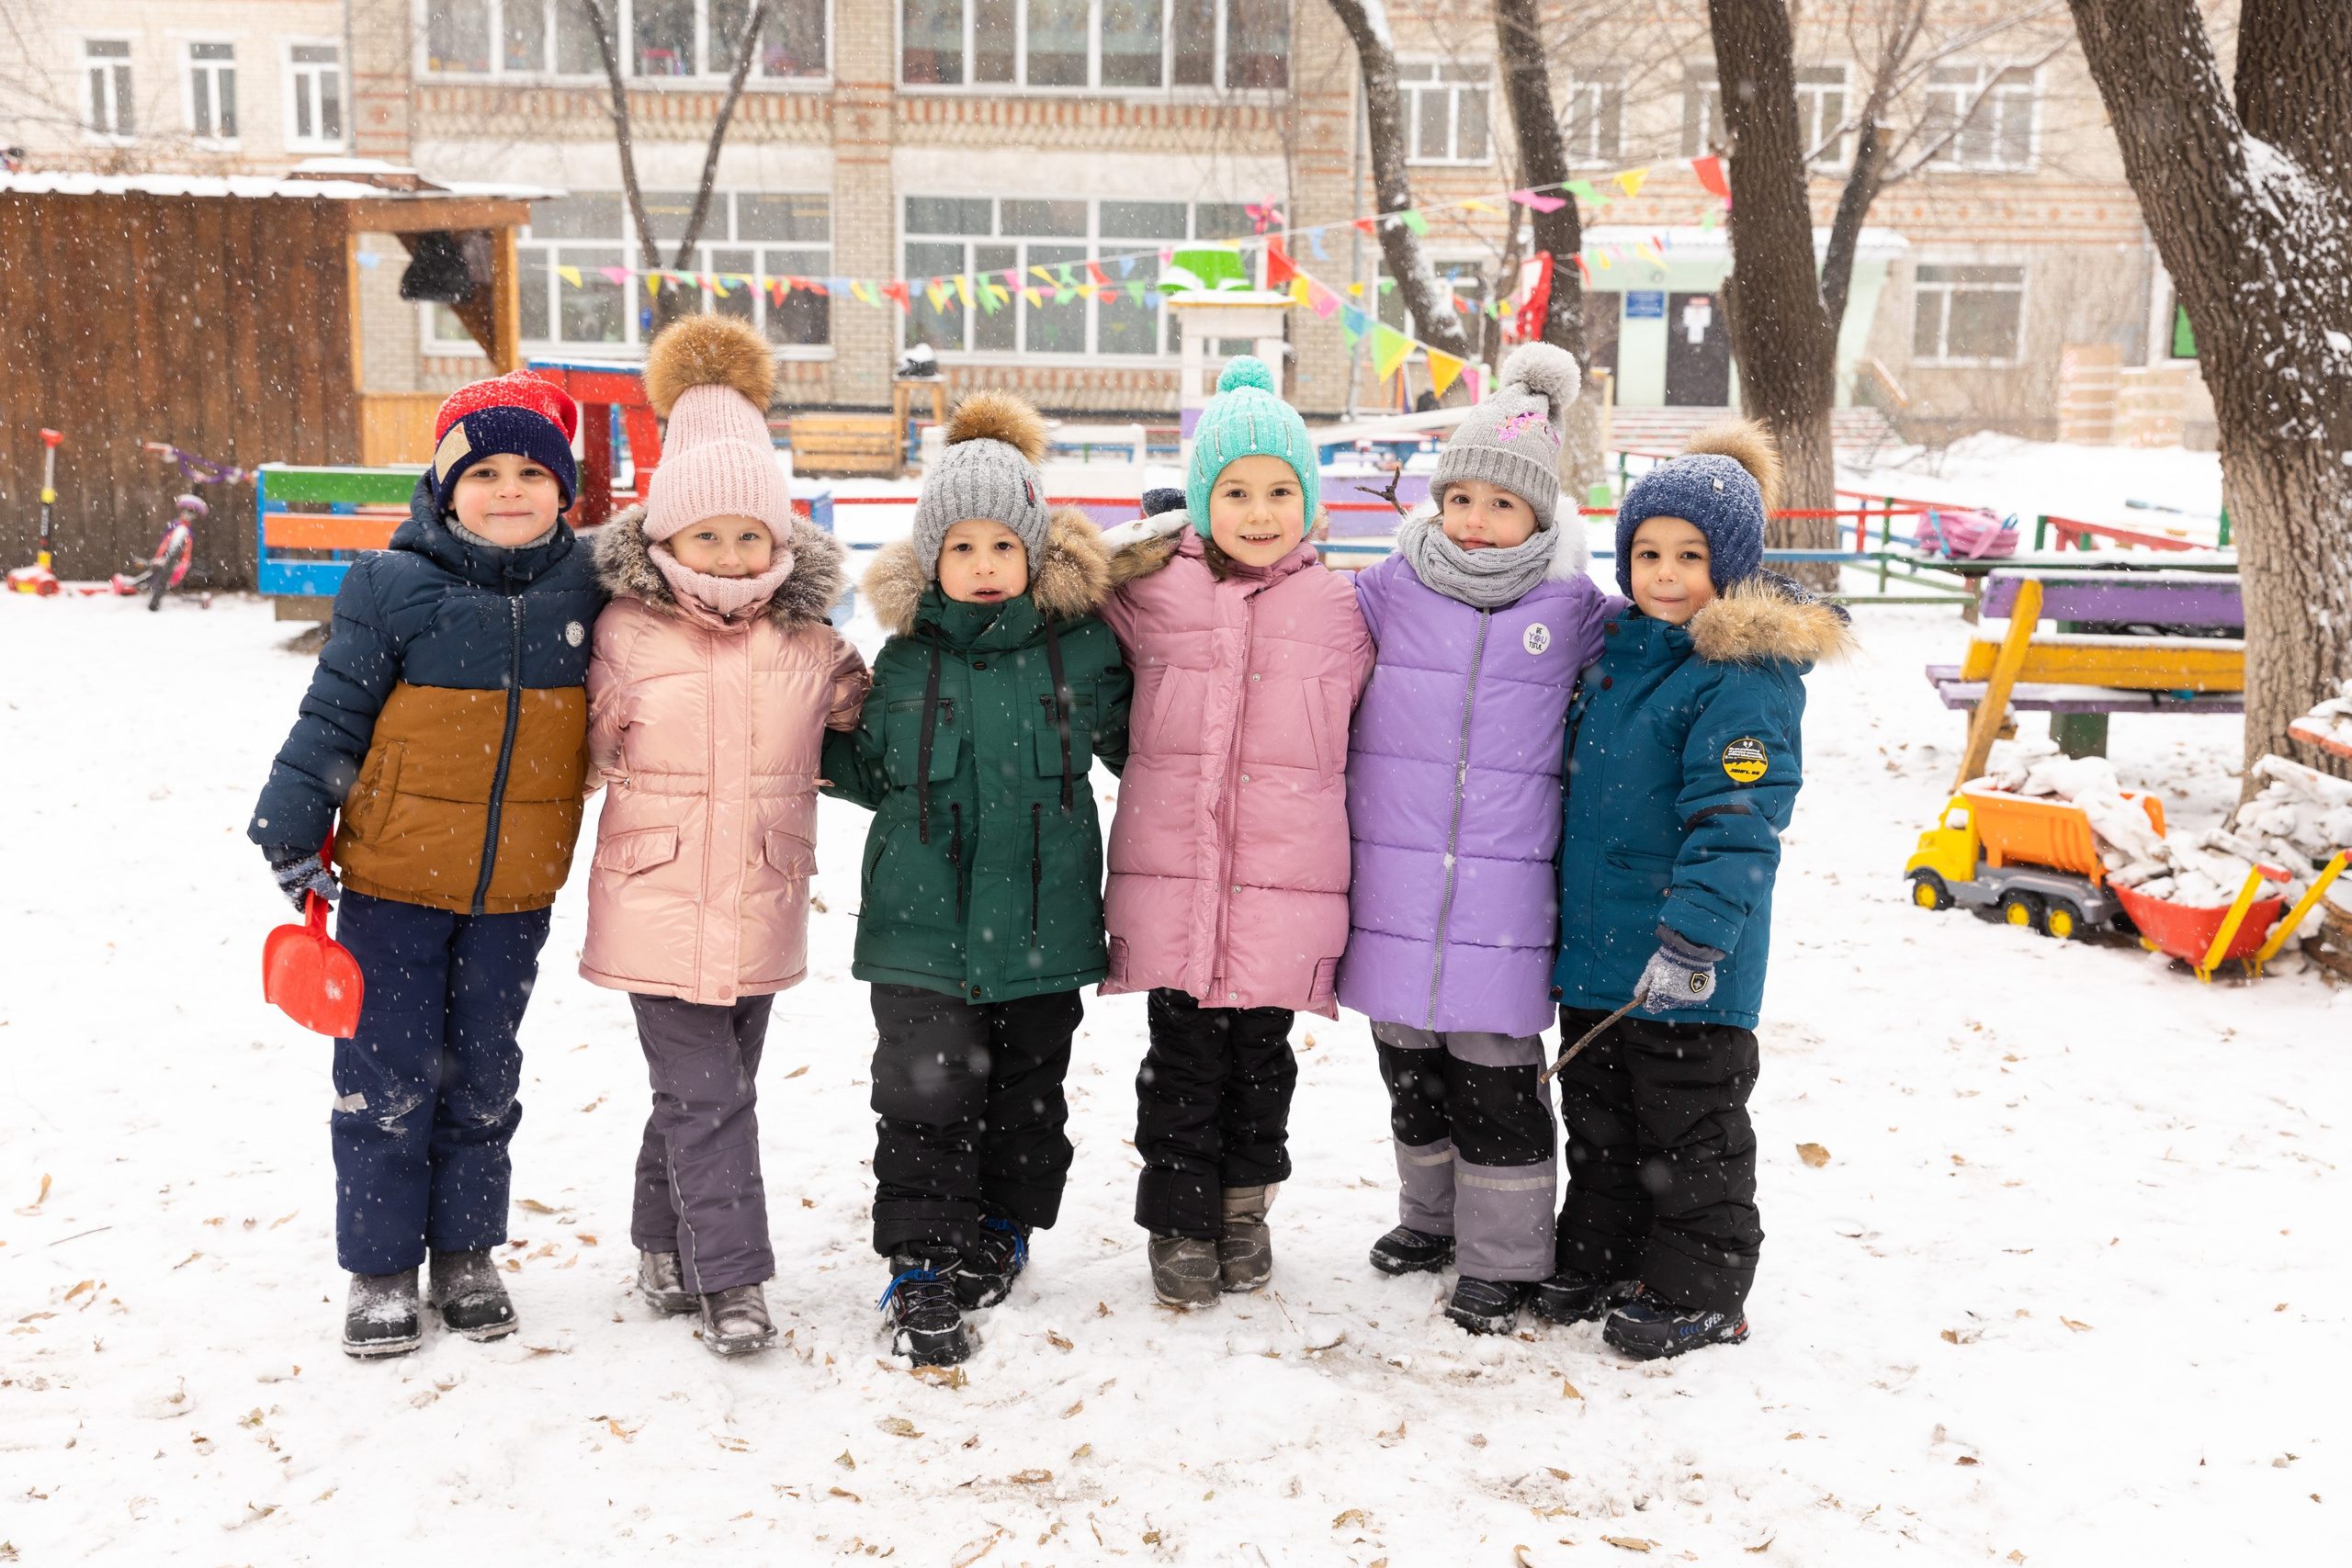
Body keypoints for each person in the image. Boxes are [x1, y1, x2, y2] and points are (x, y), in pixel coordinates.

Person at [249, 371, 604, 1358]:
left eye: (532, 471)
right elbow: (333, 716)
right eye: (483, 470)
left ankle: (465, 1254)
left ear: (564, 491)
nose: (508, 490)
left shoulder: (587, 588)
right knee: (384, 1075)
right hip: (392, 882)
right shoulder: (391, 586)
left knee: (485, 1074)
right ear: (444, 486)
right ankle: (379, 1270)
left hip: (515, 890)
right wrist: (291, 826)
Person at [580, 315, 868, 1358]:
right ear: (663, 540)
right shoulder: (618, 632)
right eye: (708, 535)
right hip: (655, 901)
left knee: (708, 1093)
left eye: (752, 534)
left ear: (782, 541)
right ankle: (729, 1279)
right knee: (708, 1098)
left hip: (760, 896)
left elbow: (867, 724)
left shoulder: (810, 642)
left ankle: (660, 1237)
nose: (732, 553)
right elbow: (561, 740)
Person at [822, 392, 1130, 1367]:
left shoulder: (1084, 651)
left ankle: (1003, 1227)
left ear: (1037, 552)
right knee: (923, 1094)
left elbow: (1152, 745)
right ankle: (921, 1253)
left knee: (1029, 1094)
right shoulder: (906, 660)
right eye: (963, 548)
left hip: (1045, 926)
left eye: (1005, 545)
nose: (985, 565)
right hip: (921, 927)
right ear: (931, 559)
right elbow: (871, 771)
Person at [1338, 344, 1628, 1336]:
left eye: (1500, 505)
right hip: (1394, 890)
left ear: (1540, 517)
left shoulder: (1573, 611)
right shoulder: (1385, 592)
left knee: (1497, 1088)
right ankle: (1430, 1222)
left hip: (1503, 902)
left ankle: (1504, 1261)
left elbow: (1663, 641)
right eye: (1459, 497)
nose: (1475, 518)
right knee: (1411, 1077)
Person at [1546, 422, 1853, 1359]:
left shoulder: (1740, 679)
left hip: (1687, 961)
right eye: (1647, 553)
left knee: (1689, 1131)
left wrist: (1692, 944)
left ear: (1731, 565)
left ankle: (1702, 1286)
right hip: (1600, 953)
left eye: (1690, 556)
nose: (1665, 574)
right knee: (1601, 1119)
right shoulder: (1619, 656)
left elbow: (1736, 823)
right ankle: (1603, 1251)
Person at [1096, 356, 1373, 1308]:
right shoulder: (1145, 596)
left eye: (1280, 490)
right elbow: (1060, 626)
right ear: (1199, 500)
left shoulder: (1343, 609)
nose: (1260, 512)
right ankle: (1178, 1224)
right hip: (1174, 881)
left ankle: (1244, 1211)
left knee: (1260, 1063)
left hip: (1281, 887)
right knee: (1180, 1064)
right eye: (1236, 490)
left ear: (1312, 502)